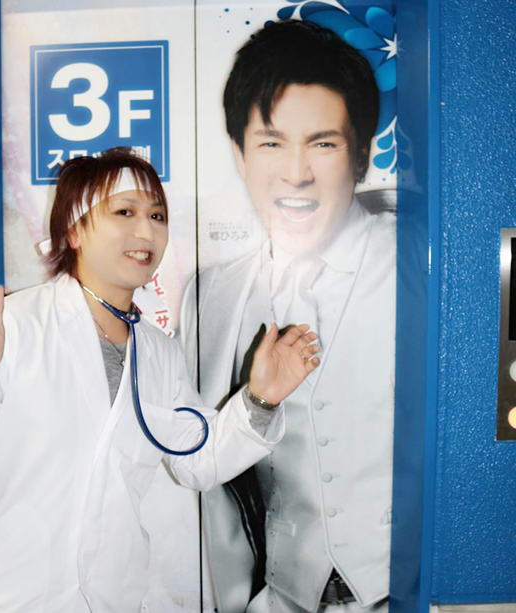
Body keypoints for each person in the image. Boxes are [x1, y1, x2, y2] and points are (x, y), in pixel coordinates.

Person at [0, 148, 320, 613]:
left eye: (157, 215)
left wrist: (261, 399)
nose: (146, 231)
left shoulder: (158, 352)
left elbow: (198, 458)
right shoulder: (13, 326)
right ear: (74, 230)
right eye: (124, 212)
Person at [180, 20, 396, 613]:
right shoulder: (211, 297)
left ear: (362, 155)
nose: (296, 173)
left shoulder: (419, 270)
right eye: (272, 144)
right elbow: (203, 467)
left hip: (406, 594)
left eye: (323, 144)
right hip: (280, 598)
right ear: (240, 155)